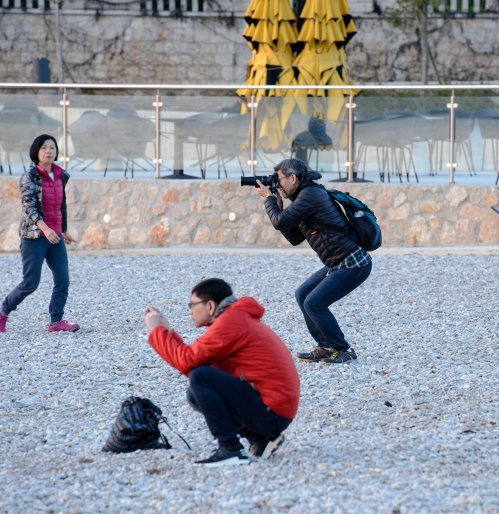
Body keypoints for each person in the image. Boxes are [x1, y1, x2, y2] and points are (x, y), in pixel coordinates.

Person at [144, 278, 300, 466]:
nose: (189, 311)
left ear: (210, 305)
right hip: (276, 409)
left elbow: (188, 363)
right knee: (196, 390)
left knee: (201, 377)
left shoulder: (231, 323)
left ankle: (231, 449)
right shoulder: (236, 318)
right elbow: (193, 361)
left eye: (192, 305)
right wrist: (167, 332)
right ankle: (261, 439)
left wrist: (157, 332)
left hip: (272, 413)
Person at [255, 158, 372, 364]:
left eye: (279, 179)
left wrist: (269, 200)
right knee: (302, 294)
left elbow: (279, 222)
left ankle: (344, 349)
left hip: (353, 263)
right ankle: (325, 346)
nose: (277, 183)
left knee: (314, 302)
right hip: (336, 262)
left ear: (293, 177)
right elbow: (294, 238)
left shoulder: (311, 195)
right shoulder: (304, 197)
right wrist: (279, 206)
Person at [0, 134, 79, 333]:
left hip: (54, 237)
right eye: (44, 148)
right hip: (34, 237)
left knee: (63, 280)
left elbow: (60, 206)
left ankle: (56, 321)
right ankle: (2, 312)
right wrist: (45, 229)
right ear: (36, 152)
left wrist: (62, 230)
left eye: (52, 147)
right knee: (30, 283)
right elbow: (29, 207)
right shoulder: (29, 176)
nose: (49, 151)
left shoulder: (61, 176)